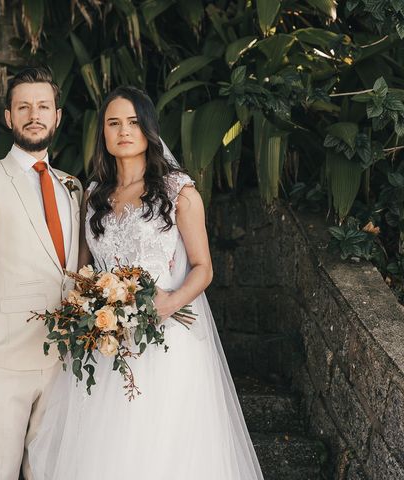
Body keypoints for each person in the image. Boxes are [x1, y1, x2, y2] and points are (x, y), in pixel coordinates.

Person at [28, 86, 264, 479]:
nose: (124, 131)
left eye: (133, 122)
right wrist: (90, 310)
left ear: (148, 129)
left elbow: (204, 268)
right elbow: (82, 274)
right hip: (106, 344)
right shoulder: (93, 196)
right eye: (113, 123)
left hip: (166, 343)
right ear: (102, 133)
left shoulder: (178, 193)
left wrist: (169, 303)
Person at [0, 66, 83, 480]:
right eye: (23, 106)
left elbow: (73, 272)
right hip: (0, 360)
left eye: (43, 106)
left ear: (57, 116)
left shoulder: (71, 186)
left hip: (63, 360)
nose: (34, 114)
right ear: (9, 117)